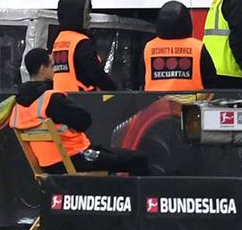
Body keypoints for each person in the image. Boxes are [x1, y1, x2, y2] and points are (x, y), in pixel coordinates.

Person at [11, 48, 150, 174]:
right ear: (42, 69)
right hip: (73, 157)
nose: (55, 70)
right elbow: (84, 121)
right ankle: (134, 202)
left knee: (112, 155)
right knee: (138, 159)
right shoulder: (51, 99)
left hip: (47, 164)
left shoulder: (19, 104)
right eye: (52, 66)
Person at [49, 0, 115, 92]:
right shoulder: (81, 42)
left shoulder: (57, 40)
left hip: (60, 96)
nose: (89, 17)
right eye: (86, 13)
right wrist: (113, 90)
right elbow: (96, 73)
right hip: (83, 98)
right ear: (76, 15)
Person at [142, 1, 211, 92]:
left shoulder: (149, 47)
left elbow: (140, 79)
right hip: (192, 104)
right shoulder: (197, 47)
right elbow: (212, 82)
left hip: (156, 103)